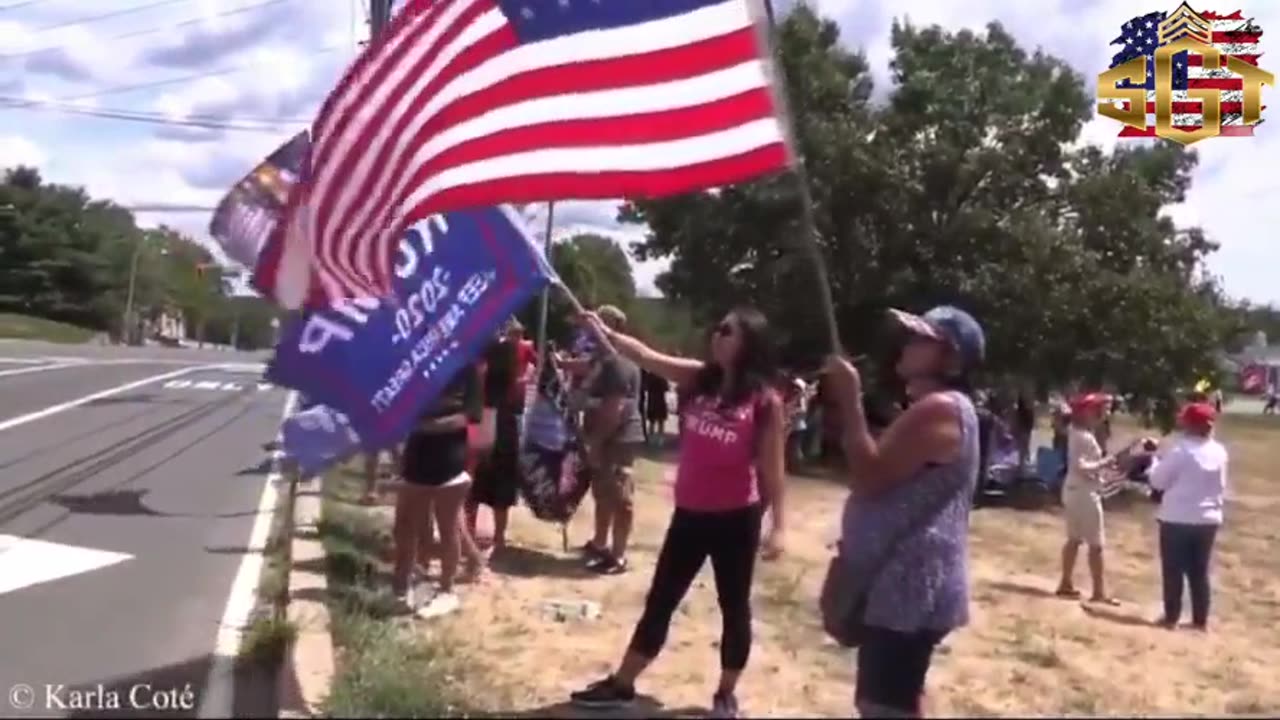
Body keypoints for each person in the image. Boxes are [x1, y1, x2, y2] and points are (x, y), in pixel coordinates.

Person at [569, 306, 786, 718]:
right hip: (690, 513)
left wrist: (780, 528)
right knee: (662, 599)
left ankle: (725, 694)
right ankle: (622, 685)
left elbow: (774, 470)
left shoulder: (764, 402)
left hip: (737, 518)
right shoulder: (699, 378)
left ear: (748, 343)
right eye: (716, 327)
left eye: (727, 331)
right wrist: (599, 329)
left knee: (734, 605)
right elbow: (644, 354)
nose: (716, 335)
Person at [823, 305, 984, 719]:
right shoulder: (947, 408)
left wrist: (850, 401)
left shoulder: (941, 409)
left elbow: (869, 476)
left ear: (950, 359)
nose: (908, 344)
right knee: (903, 696)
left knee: (880, 704)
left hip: (908, 589)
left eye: (923, 339)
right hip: (913, 585)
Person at [392, 360, 484, 617]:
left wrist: (429, 426)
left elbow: (471, 415)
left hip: (448, 455)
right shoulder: (414, 366)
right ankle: (401, 585)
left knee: (448, 527)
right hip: (416, 453)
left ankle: (446, 590)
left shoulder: (465, 368)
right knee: (405, 525)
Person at [1148, 402, 1228, 631]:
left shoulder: (1181, 450)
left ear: (1190, 424)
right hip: (1208, 518)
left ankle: (1171, 617)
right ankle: (1200, 619)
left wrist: (1154, 459)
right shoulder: (1219, 451)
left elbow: (1158, 481)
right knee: (1199, 571)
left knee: (1173, 569)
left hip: (1178, 517)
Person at [578, 305, 645, 575]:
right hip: (604, 437)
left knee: (619, 497)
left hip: (617, 439)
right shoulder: (603, 360)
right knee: (603, 494)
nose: (590, 330)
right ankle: (600, 543)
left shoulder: (618, 362)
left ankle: (617, 556)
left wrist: (595, 443)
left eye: (598, 324)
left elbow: (614, 410)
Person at [1055, 392, 1120, 605]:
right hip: (1084, 493)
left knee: (1074, 539)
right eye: (1102, 409)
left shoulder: (1078, 432)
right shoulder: (1083, 436)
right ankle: (1099, 592)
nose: (1105, 414)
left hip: (1075, 489)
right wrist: (1104, 463)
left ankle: (1065, 583)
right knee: (1096, 544)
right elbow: (1081, 466)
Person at [468, 323, 525, 552]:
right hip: (504, 417)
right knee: (501, 479)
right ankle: (499, 538)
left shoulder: (479, 352)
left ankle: (470, 533)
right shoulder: (510, 351)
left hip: (483, 415)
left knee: (474, 476)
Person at [642, 369, 671, 445]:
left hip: (652, 400)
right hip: (660, 400)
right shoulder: (662, 375)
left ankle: (651, 438)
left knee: (652, 420)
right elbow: (666, 388)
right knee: (660, 421)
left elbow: (645, 387)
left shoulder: (650, 375)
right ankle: (660, 439)